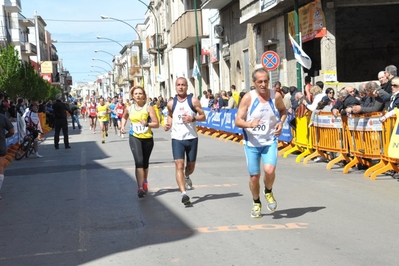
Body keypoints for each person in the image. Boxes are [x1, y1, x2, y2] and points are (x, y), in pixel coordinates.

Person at [235, 68, 287, 218]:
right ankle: (256, 202)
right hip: (251, 143)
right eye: (260, 82)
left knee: (270, 171)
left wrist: (281, 123)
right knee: (254, 177)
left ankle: (268, 191)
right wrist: (249, 125)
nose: (263, 84)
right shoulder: (248, 98)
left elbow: (283, 111)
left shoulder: (275, 96)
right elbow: (238, 120)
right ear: (254, 82)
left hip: (269, 140)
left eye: (266, 81)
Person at [163, 77, 206, 206]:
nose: (180, 87)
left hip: (191, 138)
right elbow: (170, 114)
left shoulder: (193, 101)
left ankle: (187, 177)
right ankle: (183, 194)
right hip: (177, 138)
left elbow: (203, 116)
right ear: (175, 87)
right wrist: (168, 124)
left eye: (183, 85)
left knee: (190, 167)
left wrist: (192, 118)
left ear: (187, 87)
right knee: (179, 165)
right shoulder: (171, 103)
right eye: (178, 85)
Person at [121, 86, 159, 198]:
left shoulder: (149, 108)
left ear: (144, 95)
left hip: (147, 137)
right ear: (132, 96)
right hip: (134, 136)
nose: (138, 95)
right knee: (139, 161)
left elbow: (156, 124)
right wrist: (122, 126)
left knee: (145, 163)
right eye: (136, 93)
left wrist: (147, 124)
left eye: (140, 93)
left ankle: (145, 181)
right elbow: (124, 117)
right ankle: (139, 187)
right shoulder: (129, 108)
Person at [0, 112, 14, 200]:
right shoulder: (2, 117)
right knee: (0, 167)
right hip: (0, 145)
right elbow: (12, 131)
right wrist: (4, 136)